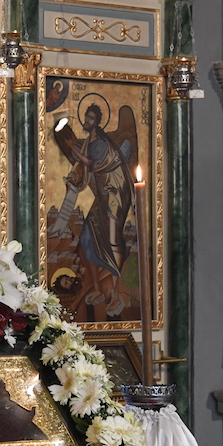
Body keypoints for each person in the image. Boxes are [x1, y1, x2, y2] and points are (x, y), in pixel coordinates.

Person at [53, 101, 136, 317]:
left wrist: (72, 146)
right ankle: (98, 290)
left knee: (113, 241)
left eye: (90, 118)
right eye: (86, 117)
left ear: (97, 122)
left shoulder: (101, 143)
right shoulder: (88, 142)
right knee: (86, 239)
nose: (86, 121)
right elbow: (81, 165)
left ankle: (116, 295)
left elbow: (89, 162)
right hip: (102, 196)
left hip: (114, 196)